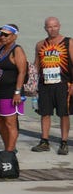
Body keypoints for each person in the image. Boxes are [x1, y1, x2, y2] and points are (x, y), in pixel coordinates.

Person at [31, 17, 71, 155]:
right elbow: (36, 65)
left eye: (54, 26)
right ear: (45, 28)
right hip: (45, 84)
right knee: (45, 113)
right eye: (49, 26)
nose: (52, 29)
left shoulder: (69, 42)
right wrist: (32, 84)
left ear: (59, 26)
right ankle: (44, 141)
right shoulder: (40, 44)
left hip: (63, 85)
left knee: (63, 114)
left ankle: (64, 142)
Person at [0, 25, 27, 153]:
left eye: (6, 35)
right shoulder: (0, 50)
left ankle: (10, 152)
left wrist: (17, 92)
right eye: (1, 34)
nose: (3, 37)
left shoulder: (16, 50)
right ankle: (7, 148)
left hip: (10, 92)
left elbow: (22, 72)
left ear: (14, 36)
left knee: (10, 123)